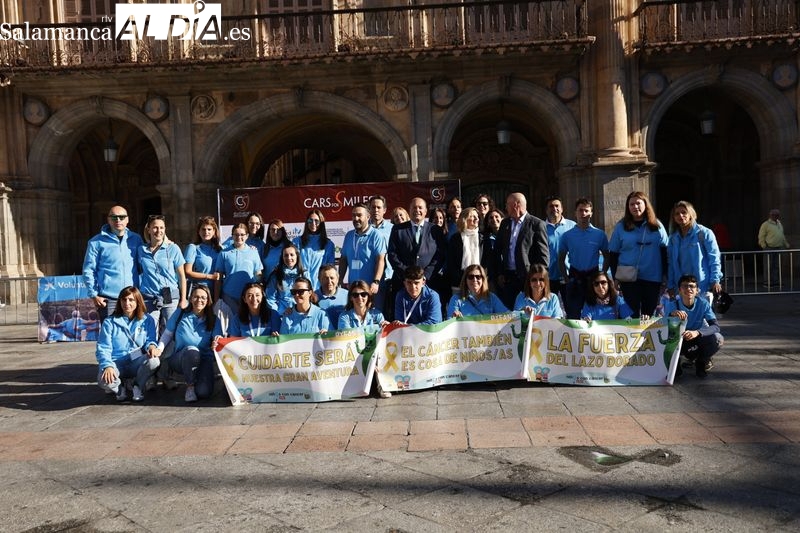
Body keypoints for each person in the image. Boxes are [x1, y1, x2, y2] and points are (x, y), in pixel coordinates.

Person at [156, 285, 222, 402]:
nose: (199, 300)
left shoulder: (214, 319)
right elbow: (167, 334)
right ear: (190, 299)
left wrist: (216, 342)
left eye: (203, 298)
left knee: (204, 392)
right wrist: (159, 349)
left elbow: (217, 338)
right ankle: (190, 387)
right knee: (192, 351)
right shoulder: (180, 313)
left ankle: (197, 379)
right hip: (180, 358)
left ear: (208, 301)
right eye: (196, 297)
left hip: (204, 359)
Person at [608, 191, 668, 318]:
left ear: (645, 205)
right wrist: (615, 277)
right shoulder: (620, 227)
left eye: (638, 203)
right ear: (628, 207)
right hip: (629, 278)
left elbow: (665, 252)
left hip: (652, 277)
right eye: (632, 204)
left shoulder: (657, 226)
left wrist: (665, 276)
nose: (635, 207)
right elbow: (613, 254)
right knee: (631, 314)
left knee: (648, 314)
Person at [95, 286, 160, 402]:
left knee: (154, 361)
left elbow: (150, 340)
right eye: (124, 300)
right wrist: (108, 366)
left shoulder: (147, 319)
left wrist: (152, 347)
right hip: (116, 362)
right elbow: (103, 347)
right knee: (103, 380)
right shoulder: (109, 322)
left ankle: (137, 386)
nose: (127, 303)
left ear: (138, 301)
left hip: (136, 360)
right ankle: (120, 388)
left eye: (131, 300)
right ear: (119, 302)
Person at [82, 205, 143, 320]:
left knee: (133, 335)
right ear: (108, 219)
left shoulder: (136, 239)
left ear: (127, 219)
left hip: (132, 298)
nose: (118, 220)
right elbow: (88, 270)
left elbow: (144, 264)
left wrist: (165, 242)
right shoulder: (96, 242)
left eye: (121, 217)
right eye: (114, 217)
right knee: (110, 336)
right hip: (108, 300)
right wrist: (94, 295)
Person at [387, 197, 446, 312]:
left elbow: (440, 255)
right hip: (403, 283)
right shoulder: (398, 229)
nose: (417, 210)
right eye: (414, 207)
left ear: (425, 211)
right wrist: (407, 275)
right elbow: (392, 254)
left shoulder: (436, 230)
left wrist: (426, 275)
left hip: (429, 282)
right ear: (409, 210)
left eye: (420, 207)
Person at [662, 274, 724, 378]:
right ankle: (675, 367)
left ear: (697, 291)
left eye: (692, 286)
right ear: (679, 290)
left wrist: (698, 332)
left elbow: (716, 327)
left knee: (718, 338)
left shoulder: (703, 304)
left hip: (695, 337)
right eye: (685, 286)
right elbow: (662, 326)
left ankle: (701, 363)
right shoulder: (672, 305)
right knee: (664, 341)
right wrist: (672, 316)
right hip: (677, 339)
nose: (688, 289)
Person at [496, 192, 549, 309]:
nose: (505, 208)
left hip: (528, 278)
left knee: (527, 311)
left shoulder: (536, 224)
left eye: (507, 204)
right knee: (510, 313)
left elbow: (543, 256)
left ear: (515, 205)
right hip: (508, 278)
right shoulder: (505, 223)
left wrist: (538, 279)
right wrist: (500, 273)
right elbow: (498, 250)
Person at [338, 280, 390, 398]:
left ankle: (383, 384)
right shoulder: (344, 317)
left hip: (373, 351)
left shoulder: (377, 315)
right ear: (351, 298)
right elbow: (347, 339)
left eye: (363, 294)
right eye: (355, 295)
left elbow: (383, 337)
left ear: (368, 296)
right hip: (354, 352)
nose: (359, 298)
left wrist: (387, 327)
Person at [559, 198, 609, 319]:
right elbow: (561, 259)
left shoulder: (599, 234)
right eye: (580, 210)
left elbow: (607, 257)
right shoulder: (567, 235)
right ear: (575, 213)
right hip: (574, 278)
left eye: (586, 211)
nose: (583, 214)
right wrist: (566, 279)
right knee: (573, 316)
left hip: (594, 279)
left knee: (595, 315)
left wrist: (603, 274)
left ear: (591, 213)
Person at [137, 214, 188, 332]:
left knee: (171, 331)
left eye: (161, 227)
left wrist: (184, 299)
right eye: (155, 227)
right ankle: (152, 351)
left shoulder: (173, 248)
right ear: (148, 229)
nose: (158, 231)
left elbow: (182, 276)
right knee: (149, 331)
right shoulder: (141, 250)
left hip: (170, 297)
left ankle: (168, 352)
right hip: (149, 298)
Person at [667, 201, 722, 304]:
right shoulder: (673, 238)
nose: (681, 216)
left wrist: (715, 280)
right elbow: (671, 264)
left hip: (702, 286)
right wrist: (670, 285)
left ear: (691, 214)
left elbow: (714, 258)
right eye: (677, 213)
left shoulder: (704, 233)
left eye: (684, 212)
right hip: (681, 287)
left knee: (703, 319)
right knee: (683, 319)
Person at [214, 223, 263, 315]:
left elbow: (258, 274)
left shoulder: (253, 252)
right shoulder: (224, 253)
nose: (239, 237)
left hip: (248, 298)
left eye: (242, 235)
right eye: (236, 234)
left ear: (247, 236)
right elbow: (218, 278)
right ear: (232, 236)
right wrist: (216, 300)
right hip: (229, 296)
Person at [339, 203, 386, 296]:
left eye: (359, 215)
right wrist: (339, 280)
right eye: (353, 215)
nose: (356, 219)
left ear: (368, 216)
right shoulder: (349, 235)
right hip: (353, 289)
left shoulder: (376, 235)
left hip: (371, 288)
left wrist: (376, 282)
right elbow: (343, 260)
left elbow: (380, 260)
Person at [293, 209, 335, 291]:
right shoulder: (297, 242)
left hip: (320, 288)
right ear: (306, 222)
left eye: (317, 221)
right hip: (301, 287)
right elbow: (292, 265)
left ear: (321, 223)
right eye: (310, 220)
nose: (313, 223)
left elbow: (330, 269)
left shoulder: (328, 244)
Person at [544, 195, 576, 298]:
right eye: (551, 206)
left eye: (557, 206)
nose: (554, 209)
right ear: (546, 210)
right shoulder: (540, 227)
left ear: (562, 209)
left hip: (568, 275)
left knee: (570, 309)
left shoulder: (573, 226)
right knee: (549, 311)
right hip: (548, 277)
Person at [446, 207, 483, 291]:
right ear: (464, 219)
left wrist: (480, 277)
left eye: (477, 216)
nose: (476, 218)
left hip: (479, 282)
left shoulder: (483, 238)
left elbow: (487, 260)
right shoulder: (455, 238)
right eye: (472, 216)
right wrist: (462, 278)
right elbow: (451, 261)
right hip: (459, 282)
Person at [369, 195, 394, 315]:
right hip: (369, 277)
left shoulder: (392, 229)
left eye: (379, 207)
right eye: (373, 207)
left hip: (388, 278)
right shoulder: (364, 228)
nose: (376, 210)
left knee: (385, 314)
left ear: (384, 210)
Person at [184, 216, 222, 293]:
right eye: (203, 229)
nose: (206, 232)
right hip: (199, 290)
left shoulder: (220, 249)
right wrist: (209, 276)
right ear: (198, 231)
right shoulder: (193, 248)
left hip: (218, 291)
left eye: (209, 229)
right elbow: (187, 272)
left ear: (214, 231)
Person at [265, 244, 307, 314]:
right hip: (282, 316)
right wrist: (280, 312)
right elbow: (270, 299)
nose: (289, 258)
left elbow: (308, 296)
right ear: (282, 258)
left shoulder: (304, 274)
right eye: (286, 255)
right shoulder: (276, 275)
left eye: (292, 255)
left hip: (301, 314)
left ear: (297, 256)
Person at [757, 208, 790, 288]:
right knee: (768, 266)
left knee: (776, 265)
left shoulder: (779, 224)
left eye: (777, 215)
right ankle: (767, 282)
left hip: (778, 247)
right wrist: (764, 245)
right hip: (769, 247)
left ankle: (775, 281)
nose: (776, 216)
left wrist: (786, 244)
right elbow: (761, 236)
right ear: (770, 215)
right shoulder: (766, 224)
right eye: (774, 215)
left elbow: (782, 235)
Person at [482, 208, 505, 291]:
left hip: (508, 274)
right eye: (491, 218)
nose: (494, 219)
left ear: (502, 218)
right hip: (492, 277)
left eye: (496, 216)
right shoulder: (484, 239)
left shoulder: (509, 235)